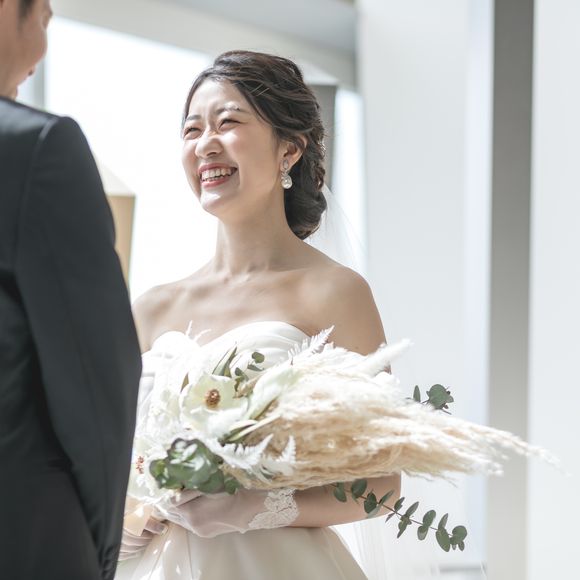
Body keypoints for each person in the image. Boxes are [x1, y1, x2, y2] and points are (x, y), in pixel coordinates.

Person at [116, 50, 401, 580]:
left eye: (228, 123)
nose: (205, 144)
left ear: (288, 149)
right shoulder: (151, 308)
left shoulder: (336, 293)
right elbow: (104, 464)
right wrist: (130, 517)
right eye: (192, 129)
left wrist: (256, 507)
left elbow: (382, 485)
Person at [0, 1, 142, 579]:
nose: (42, 48)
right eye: (44, 19)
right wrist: (99, 556)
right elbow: (97, 380)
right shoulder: (36, 147)